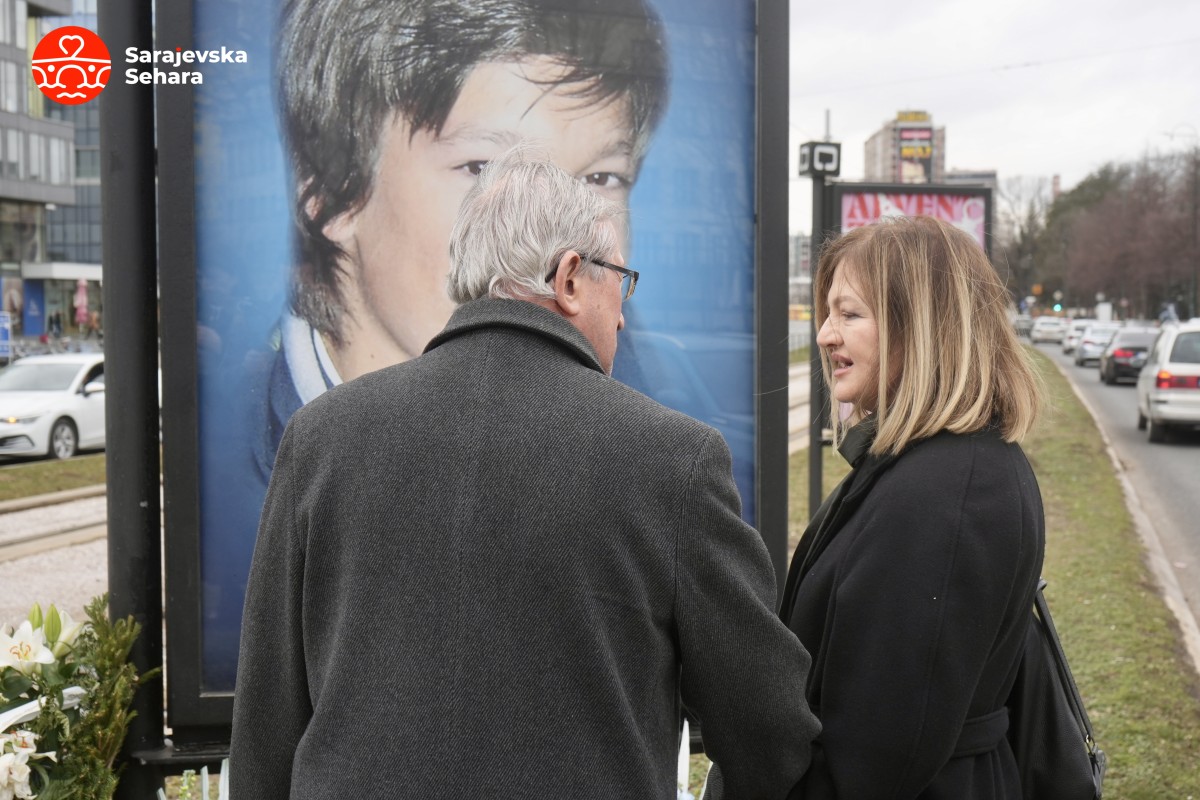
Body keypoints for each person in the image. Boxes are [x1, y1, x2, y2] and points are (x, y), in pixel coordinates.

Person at [229, 147, 819, 798]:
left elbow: (266, 729)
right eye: (620, 279)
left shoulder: (321, 438)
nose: (623, 312)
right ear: (569, 279)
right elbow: (768, 727)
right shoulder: (674, 460)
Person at [200, 0, 674, 690]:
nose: (554, 233)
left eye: (601, 178)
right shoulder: (247, 453)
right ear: (329, 191)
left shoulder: (664, 452)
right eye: (483, 167)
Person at [778, 215, 1045, 798]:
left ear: (920, 327)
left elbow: (877, 758)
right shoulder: (940, 464)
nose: (824, 336)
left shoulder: (944, 495)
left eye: (849, 314)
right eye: (828, 314)